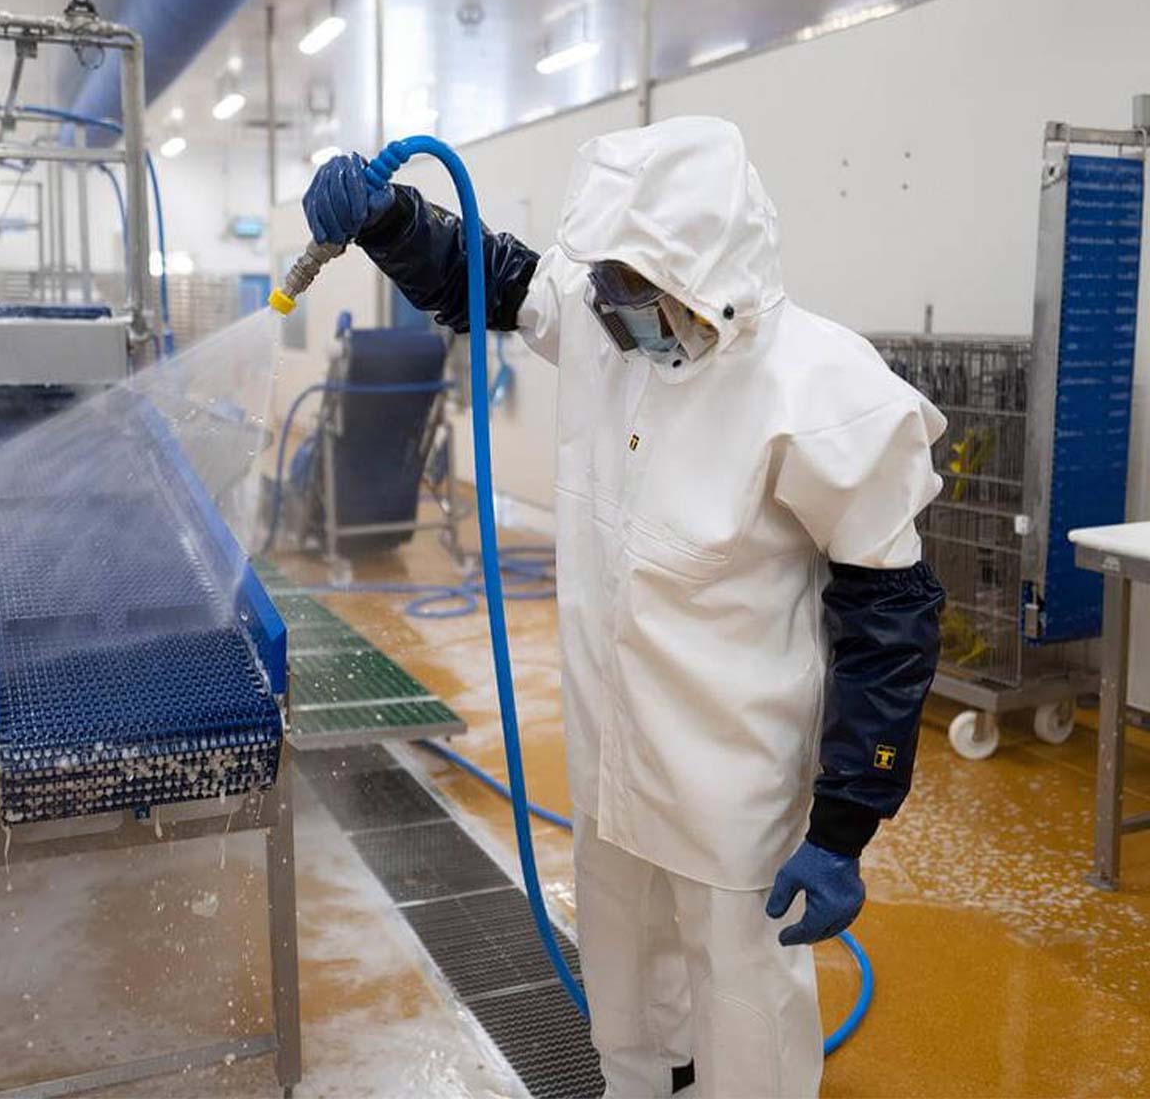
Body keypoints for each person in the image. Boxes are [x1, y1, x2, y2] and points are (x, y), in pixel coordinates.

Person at [303, 116, 945, 1099]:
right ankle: (641, 1083)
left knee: (743, 996)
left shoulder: (824, 393)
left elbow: (891, 619)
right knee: (624, 968)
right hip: (614, 756)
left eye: (638, 289)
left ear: (704, 272)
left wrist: (847, 822)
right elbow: (497, 277)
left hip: (736, 781)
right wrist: (392, 219)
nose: (612, 310)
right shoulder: (613, 315)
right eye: (606, 283)